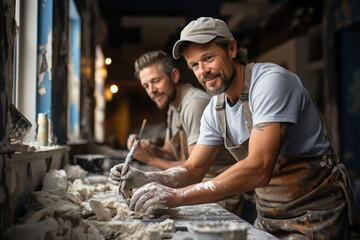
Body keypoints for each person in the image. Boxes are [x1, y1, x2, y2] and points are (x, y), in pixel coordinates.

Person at [109, 17, 359, 239]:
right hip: (269, 219)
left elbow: (260, 168)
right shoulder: (215, 108)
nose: (202, 72)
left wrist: (177, 197)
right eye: (194, 65)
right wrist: (150, 178)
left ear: (231, 48)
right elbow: (194, 169)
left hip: (316, 216)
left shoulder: (270, 82)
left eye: (208, 58)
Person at [129, 50, 250, 218]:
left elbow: (193, 168)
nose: (152, 90)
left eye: (155, 81)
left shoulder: (194, 104)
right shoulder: (172, 107)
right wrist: (150, 150)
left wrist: (149, 160)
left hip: (219, 195)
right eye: (146, 86)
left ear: (174, 75)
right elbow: (170, 153)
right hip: (195, 188)